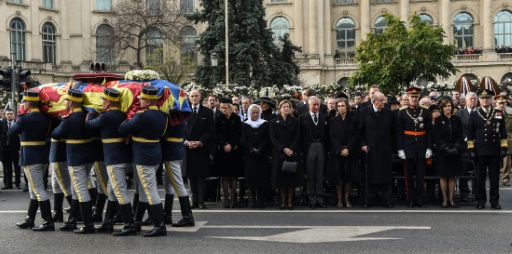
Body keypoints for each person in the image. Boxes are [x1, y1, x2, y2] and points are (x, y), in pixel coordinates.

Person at [85, 88, 137, 236]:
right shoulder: (121, 114)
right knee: (112, 191)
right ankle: (108, 223)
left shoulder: (106, 116)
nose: (101, 102)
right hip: (122, 156)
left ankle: (129, 224)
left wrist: (90, 112)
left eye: (102, 100)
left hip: (114, 158)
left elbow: (89, 125)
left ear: (107, 102)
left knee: (119, 190)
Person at [118, 86, 168, 237]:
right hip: (155, 155)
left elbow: (123, 129)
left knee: (150, 191)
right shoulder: (162, 115)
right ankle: (138, 221)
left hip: (143, 157)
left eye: (141, 100)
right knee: (145, 191)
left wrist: (128, 119)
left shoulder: (141, 116)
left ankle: (160, 225)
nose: (139, 102)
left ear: (147, 101)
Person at [51, 89, 96, 234]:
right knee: (77, 190)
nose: (64, 103)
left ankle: (88, 224)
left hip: (76, 159)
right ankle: (72, 221)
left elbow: (56, 134)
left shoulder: (69, 119)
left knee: (81, 190)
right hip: (89, 157)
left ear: (70, 102)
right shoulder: (87, 115)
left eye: (65, 101)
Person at [11, 90, 53, 231]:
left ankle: (48, 221)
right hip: (42, 155)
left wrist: (20, 114)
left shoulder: (24, 118)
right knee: (33, 189)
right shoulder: (45, 118)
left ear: (27, 104)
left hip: (30, 156)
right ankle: (30, 218)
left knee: (38, 189)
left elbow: (12, 130)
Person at [467, 90, 507, 209]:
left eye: (487, 98)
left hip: (494, 150)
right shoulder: (475, 114)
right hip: (480, 150)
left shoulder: (498, 113)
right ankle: (481, 200)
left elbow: (503, 132)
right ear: (479, 100)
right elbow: (470, 134)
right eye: (483, 98)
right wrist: (471, 150)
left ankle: (494, 201)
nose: (485, 100)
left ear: (492, 100)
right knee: (480, 177)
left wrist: (504, 147)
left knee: (494, 178)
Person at [397, 87, 432, 208]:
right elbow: (399, 132)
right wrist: (400, 149)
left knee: (420, 175)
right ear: (408, 98)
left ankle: (420, 199)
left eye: (416, 97)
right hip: (408, 147)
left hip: (421, 146)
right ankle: (410, 200)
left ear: (419, 98)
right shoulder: (402, 112)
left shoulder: (425, 111)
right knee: (409, 176)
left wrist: (429, 148)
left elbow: (429, 132)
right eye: (412, 97)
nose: (414, 99)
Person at [358, 92, 396, 208]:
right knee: (370, 175)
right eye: (381, 101)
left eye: (384, 100)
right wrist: (363, 144)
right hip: (370, 150)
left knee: (385, 175)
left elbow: (393, 131)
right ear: (373, 101)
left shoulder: (388, 112)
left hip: (385, 150)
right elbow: (359, 131)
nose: (383, 103)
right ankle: (369, 199)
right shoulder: (364, 112)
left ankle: (387, 200)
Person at [184, 90, 215, 210]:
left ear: (200, 97)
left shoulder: (207, 112)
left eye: (196, 96)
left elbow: (210, 130)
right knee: (191, 176)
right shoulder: (184, 111)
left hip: (201, 148)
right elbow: (181, 129)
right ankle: (194, 200)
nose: (194, 98)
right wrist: (186, 142)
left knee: (201, 176)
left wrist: (200, 142)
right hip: (188, 148)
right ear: (189, 98)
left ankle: (201, 200)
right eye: (192, 96)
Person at [161, 122, 195, 227]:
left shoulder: (173, 120)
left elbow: (164, 135)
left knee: (178, 185)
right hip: (175, 152)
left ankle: (187, 217)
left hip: (172, 153)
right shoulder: (178, 119)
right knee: (169, 185)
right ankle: (167, 214)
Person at [270, 100, 302, 210]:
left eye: (288, 107)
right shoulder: (274, 122)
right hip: (280, 153)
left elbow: (298, 136)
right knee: (281, 179)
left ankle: (289, 201)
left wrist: (291, 149)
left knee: (291, 178)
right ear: (279, 109)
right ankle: (282, 200)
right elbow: (273, 138)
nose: (286, 109)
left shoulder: (295, 121)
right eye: (284, 107)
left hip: (292, 153)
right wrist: (284, 148)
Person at [433, 99, 465, 208]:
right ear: (442, 108)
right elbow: (437, 137)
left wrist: (455, 148)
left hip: (454, 151)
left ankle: (451, 199)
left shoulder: (457, 119)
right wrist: (446, 148)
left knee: (452, 175)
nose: (448, 108)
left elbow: (460, 136)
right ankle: (444, 199)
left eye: (449, 106)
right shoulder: (438, 120)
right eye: (445, 106)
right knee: (443, 175)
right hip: (442, 151)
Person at [299, 96, 329, 209]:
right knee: (310, 175)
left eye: (318, 105)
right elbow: (300, 135)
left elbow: (328, 135)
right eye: (314, 105)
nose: (316, 107)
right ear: (308, 105)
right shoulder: (302, 118)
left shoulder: (325, 117)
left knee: (320, 174)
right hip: (309, 147)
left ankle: (320, 199)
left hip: (321, 146)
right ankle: (311, 199)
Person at [328, 98, 358, 208]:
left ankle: (347, 198)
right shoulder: (333, 121)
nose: (341, 108)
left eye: (343, 106)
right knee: (339, 176)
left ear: (347, 107)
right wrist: (340, 149)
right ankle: (339, 199)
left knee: (348, 176)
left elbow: (355, 136)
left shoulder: (353, 120)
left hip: (349, 152)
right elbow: (332, 137)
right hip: (337, 152)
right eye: (339, 106)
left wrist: (348, 149)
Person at [214, 98, 243, 208]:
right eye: (221, 107)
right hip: (222, 150)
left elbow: (238, 133)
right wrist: (224, 145)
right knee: (224, 176)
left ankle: (233, 199)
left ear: (230, 108)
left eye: (225, 107)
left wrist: (231, 144)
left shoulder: (236, 118)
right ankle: (226, 198)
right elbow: (217, 133)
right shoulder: (218, 118)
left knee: (234, 175)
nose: (223, 109)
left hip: (234, 149)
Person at [240, 104, 270, 208]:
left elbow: (267, 139)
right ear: (249, 113)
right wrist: (252, 149)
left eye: (257, 112)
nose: (255, 114)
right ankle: (253, 199)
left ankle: (261, 200)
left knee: (261, 178)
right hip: (250, 156)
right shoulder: (245, 124)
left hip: (262, 155)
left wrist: (260, 149)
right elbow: (243, 140)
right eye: (253, 113)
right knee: (251, 178)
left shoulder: (265, 124)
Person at [455, 92, 477, 201]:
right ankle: (464, 193)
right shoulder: (460, 113)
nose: (473, 101)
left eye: (474, 99)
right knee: (463, 171)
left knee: (478, 171)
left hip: (477, 146)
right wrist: (466, 138)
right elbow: (458, 129)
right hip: (464, 147)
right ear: (466, 101)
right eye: (470, 99)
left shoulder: (480, 112)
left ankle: (477, 193)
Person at [2, 109, 23, 190]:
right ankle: (8, 184)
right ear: (5, 115)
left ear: (14, 115)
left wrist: (20, 148)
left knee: (17, 167)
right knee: (7, 168)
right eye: (8, 114)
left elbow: (20, 137)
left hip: (16, 149)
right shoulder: (2, 123)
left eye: (11, 114)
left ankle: (17, 183)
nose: (9, 115)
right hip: (6, 149)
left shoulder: (18, 123)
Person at [496, 95, 512, 186]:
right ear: (496, 103)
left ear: (506, 103)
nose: (502, 105)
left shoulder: (510, 112)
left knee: (506, 161)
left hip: (507, 138)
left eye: (503, 103)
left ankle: (505, 178)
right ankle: (494, 177)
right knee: (495, 160)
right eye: (500, 103)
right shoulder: (493, 112)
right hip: (494, 138)